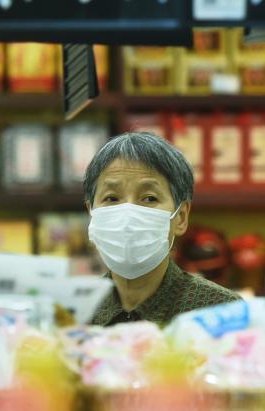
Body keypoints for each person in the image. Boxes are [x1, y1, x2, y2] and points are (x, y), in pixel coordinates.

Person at [84, 131, 239, 327]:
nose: (128, 215)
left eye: (149, 198)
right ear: (92, 213)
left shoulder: (220, 311)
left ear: (181, 217)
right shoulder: (76, 313)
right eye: (112, 198)